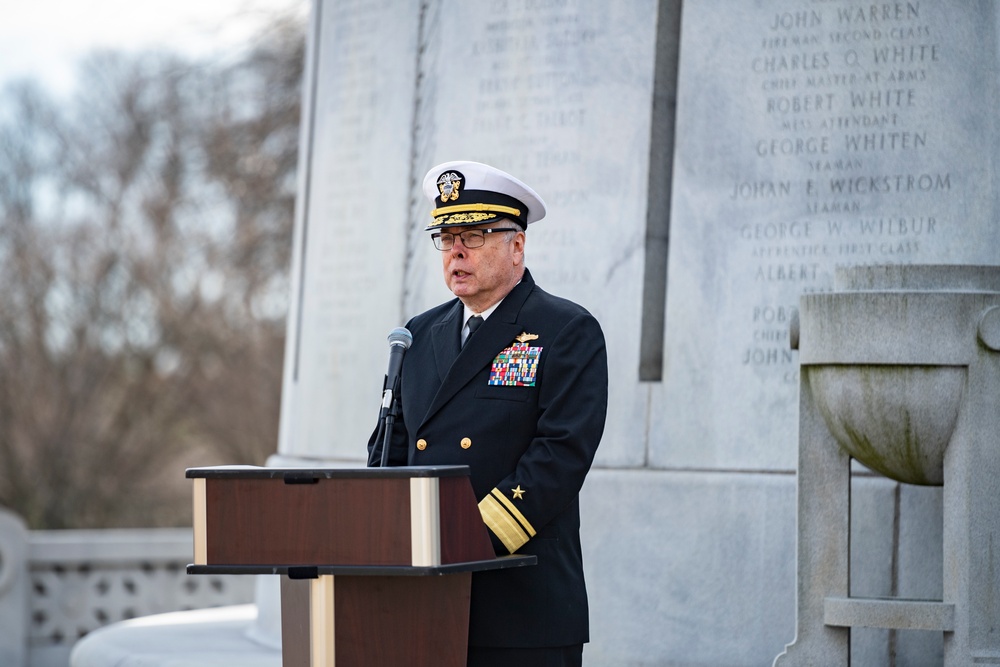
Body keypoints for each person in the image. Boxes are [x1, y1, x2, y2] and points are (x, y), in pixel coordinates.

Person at [368, 160, 608, 667]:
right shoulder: (417, 333)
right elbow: (392, 448)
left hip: (519, 606)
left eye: (473, 235)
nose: (455, 250)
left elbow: (559, 457)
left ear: (516, 245)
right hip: (423, 596)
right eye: (447, 236)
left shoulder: (565, 330)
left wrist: (463, 539)